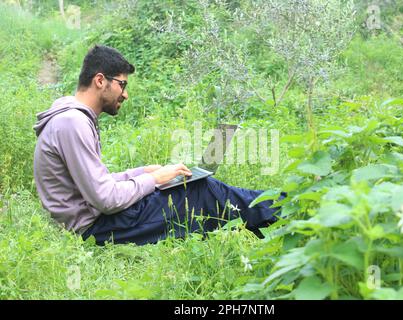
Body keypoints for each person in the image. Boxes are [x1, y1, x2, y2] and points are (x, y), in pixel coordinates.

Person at [33, 45, 281, 246]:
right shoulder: (72, 122)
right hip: (95, 228)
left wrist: (144, 173)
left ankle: (272, 215)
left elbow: (96, 183)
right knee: (199, 190)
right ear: (100, 80)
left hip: (96, 218)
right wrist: (155, 180)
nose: (125, 94)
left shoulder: (71, 118)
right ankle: (284, 209)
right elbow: (106, 199)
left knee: (194, 188)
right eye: (122, 84)